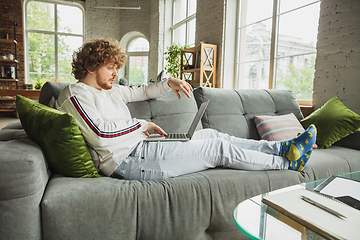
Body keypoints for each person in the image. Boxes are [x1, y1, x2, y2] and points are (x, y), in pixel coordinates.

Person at [57, 38, 317, 180]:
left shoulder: (109, 90)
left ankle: (282, 147)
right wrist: (142, 125)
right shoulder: (76, 94)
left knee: (216, 136)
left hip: (142, 149)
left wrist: (168, 82)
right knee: (218, 150)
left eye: (116, 67)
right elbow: (101, 134)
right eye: (110, 67)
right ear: (91, 67)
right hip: (128, 161)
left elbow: (142, 91)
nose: (115, 73)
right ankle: (286, 164)